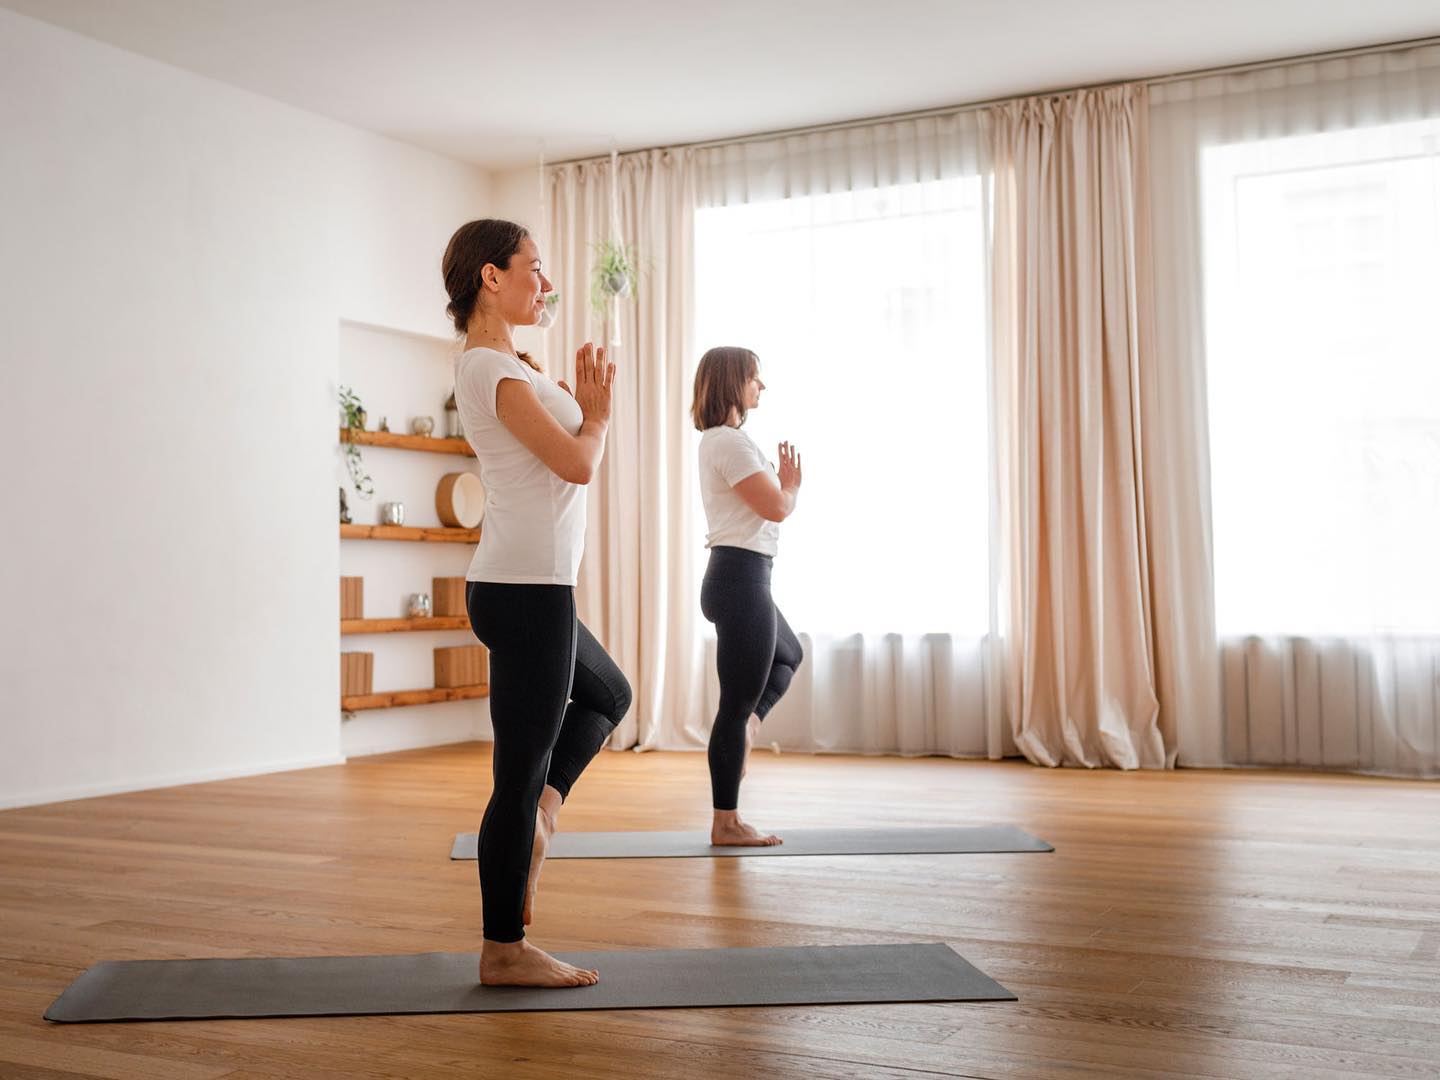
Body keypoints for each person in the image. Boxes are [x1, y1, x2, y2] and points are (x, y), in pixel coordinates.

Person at [443, 218, 630, 987]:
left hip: (530, 586)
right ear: (492, 277)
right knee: (513, 777)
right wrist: (597, 414)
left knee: (609, 694)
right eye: (534, 268)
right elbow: (577, 464)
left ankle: (544, 819)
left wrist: (566, 389)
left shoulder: (510, 363)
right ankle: (502, 950)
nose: (544, 283)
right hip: (526, 590)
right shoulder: (489, 370)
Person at [691, 347, 804, 846]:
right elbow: (777, 507)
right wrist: (792, 486)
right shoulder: (728, 444)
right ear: (733, 384)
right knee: (733, 706)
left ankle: (750, 730)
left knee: (789, 654)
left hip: (742, 576)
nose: (762, 387)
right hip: (740, 580)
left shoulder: (726, 441)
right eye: (754, 379)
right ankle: (726, 822)